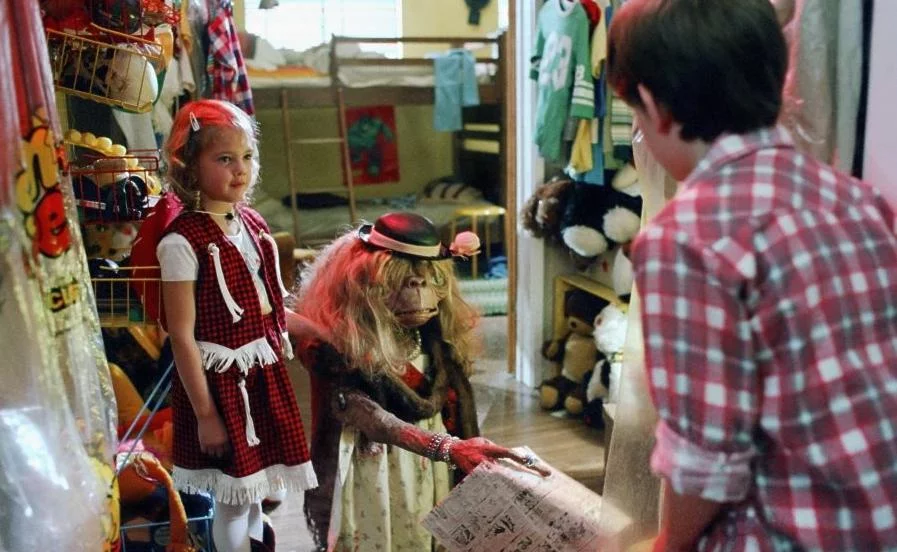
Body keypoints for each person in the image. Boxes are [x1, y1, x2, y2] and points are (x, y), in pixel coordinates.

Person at [607, 1, 897, 551]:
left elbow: (705, 462)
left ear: (653, 106)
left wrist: (665, 544)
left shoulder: (686, 237)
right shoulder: (857, 200)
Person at [292, 212, 548, 551]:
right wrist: (448, 448)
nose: (417, 289)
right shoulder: (341, 351)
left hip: (430, 468)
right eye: (401, 280)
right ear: (364, 285)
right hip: (376, 468)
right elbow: (371, 418)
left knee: (427, 528)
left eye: (426, 279)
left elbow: (453, 403)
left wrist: (457, 449)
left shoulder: (435, 341)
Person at [157, 99, 317, 552]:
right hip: (220, 385)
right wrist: (206, 415)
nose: (240, 169)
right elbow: (181, 336)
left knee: (255, 495)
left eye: (246, 156)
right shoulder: (182, 242)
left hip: (261, 376)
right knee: (232, 501)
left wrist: (324, 331)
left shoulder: (253, 225)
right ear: (190, 166)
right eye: (224, 158)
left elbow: (270, 305)